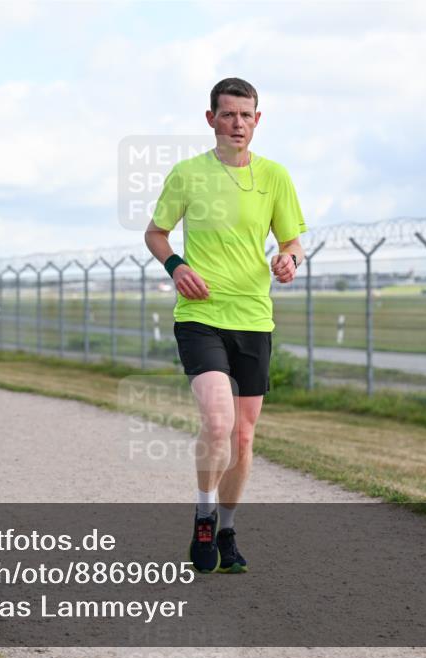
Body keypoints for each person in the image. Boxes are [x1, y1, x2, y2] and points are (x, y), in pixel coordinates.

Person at [144, 78, 306, 574]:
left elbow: (293, 241)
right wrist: (177, 266)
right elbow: (156, 233)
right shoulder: (188, 174)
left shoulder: (275, 176)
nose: (238, 123)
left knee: (243, 438)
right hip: (201, 317)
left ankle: (228, 528)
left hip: (254, 319)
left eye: (247, 115)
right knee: (218, 422)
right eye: (229, 114)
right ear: (210, 118)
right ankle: (203, 515)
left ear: (258, 120)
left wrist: (289, 260)